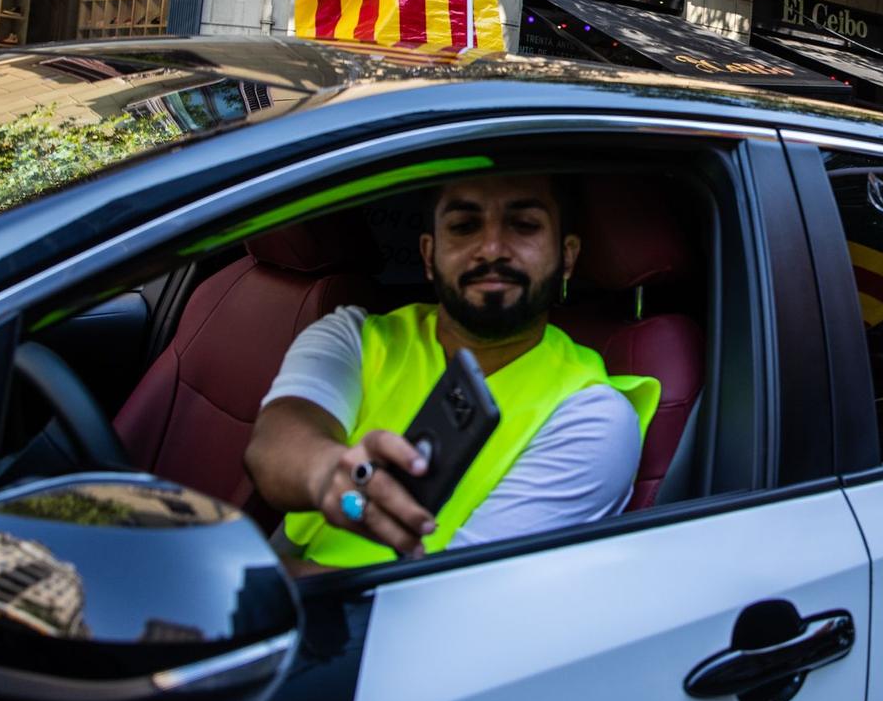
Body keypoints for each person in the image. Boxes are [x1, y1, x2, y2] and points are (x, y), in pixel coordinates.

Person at [244, 173, 660, 570]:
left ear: (567, 257)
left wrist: (257, 584)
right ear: (428, 255)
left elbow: (448, 596)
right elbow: (275, 442)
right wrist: (326, 472)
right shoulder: (355, 336)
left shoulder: (593, 416)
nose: (492, 247)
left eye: (524, 224)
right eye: (464, 226)